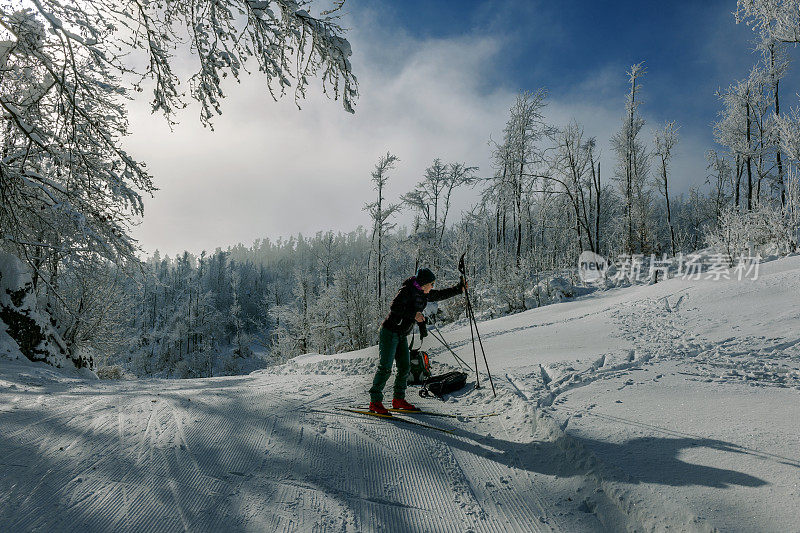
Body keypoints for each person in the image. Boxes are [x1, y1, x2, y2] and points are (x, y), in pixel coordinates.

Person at [369, 267, 465, 415]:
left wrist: (459, 289)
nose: (433, 287)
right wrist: (414, 314)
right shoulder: (407, 290)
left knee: (405, 367)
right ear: (423, 283)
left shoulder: (422, 293)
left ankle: (398, 400)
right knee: (385, 367)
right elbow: (394, 307)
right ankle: (375, 402)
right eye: (431, 284)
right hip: (389, 332)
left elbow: (439, 294)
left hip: (401, 334)